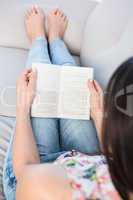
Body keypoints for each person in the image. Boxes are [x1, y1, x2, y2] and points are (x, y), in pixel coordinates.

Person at [2, 6, 133, 200]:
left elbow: (26, 173)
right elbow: (119, 160)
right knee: (74, 82)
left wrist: (22, 107)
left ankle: (39, 40)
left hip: (34, 175)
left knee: (38, 79)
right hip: (87, 160)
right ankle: (56, 41)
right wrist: (97, 114)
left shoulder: (41, 185)